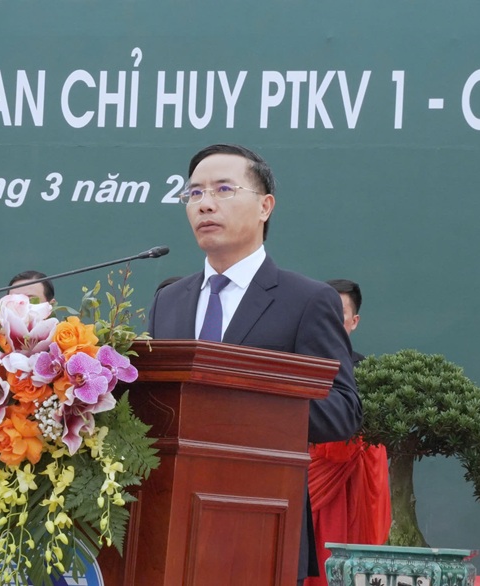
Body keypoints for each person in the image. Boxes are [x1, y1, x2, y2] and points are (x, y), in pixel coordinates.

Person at [148, 144, 362, 585]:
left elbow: (343, 410)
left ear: (265, 206)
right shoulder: (169, 300)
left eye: (223, 189)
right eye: (194, 193)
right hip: (168, 525)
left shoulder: (306, 300)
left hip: (262, 526)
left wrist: (242, 403)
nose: (205, 203)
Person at [306, 279, 391, 585]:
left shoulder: (369, 375)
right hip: (306, 475)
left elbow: (374, 449)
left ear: (354, 321)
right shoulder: (298, 367)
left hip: (352, 486)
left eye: (339, 313)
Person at [326, 279, 365, 363]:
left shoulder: (365, 367)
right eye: (327, 310)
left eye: (339, 311)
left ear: (354, 322)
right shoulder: (299, 359)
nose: (332, 317)